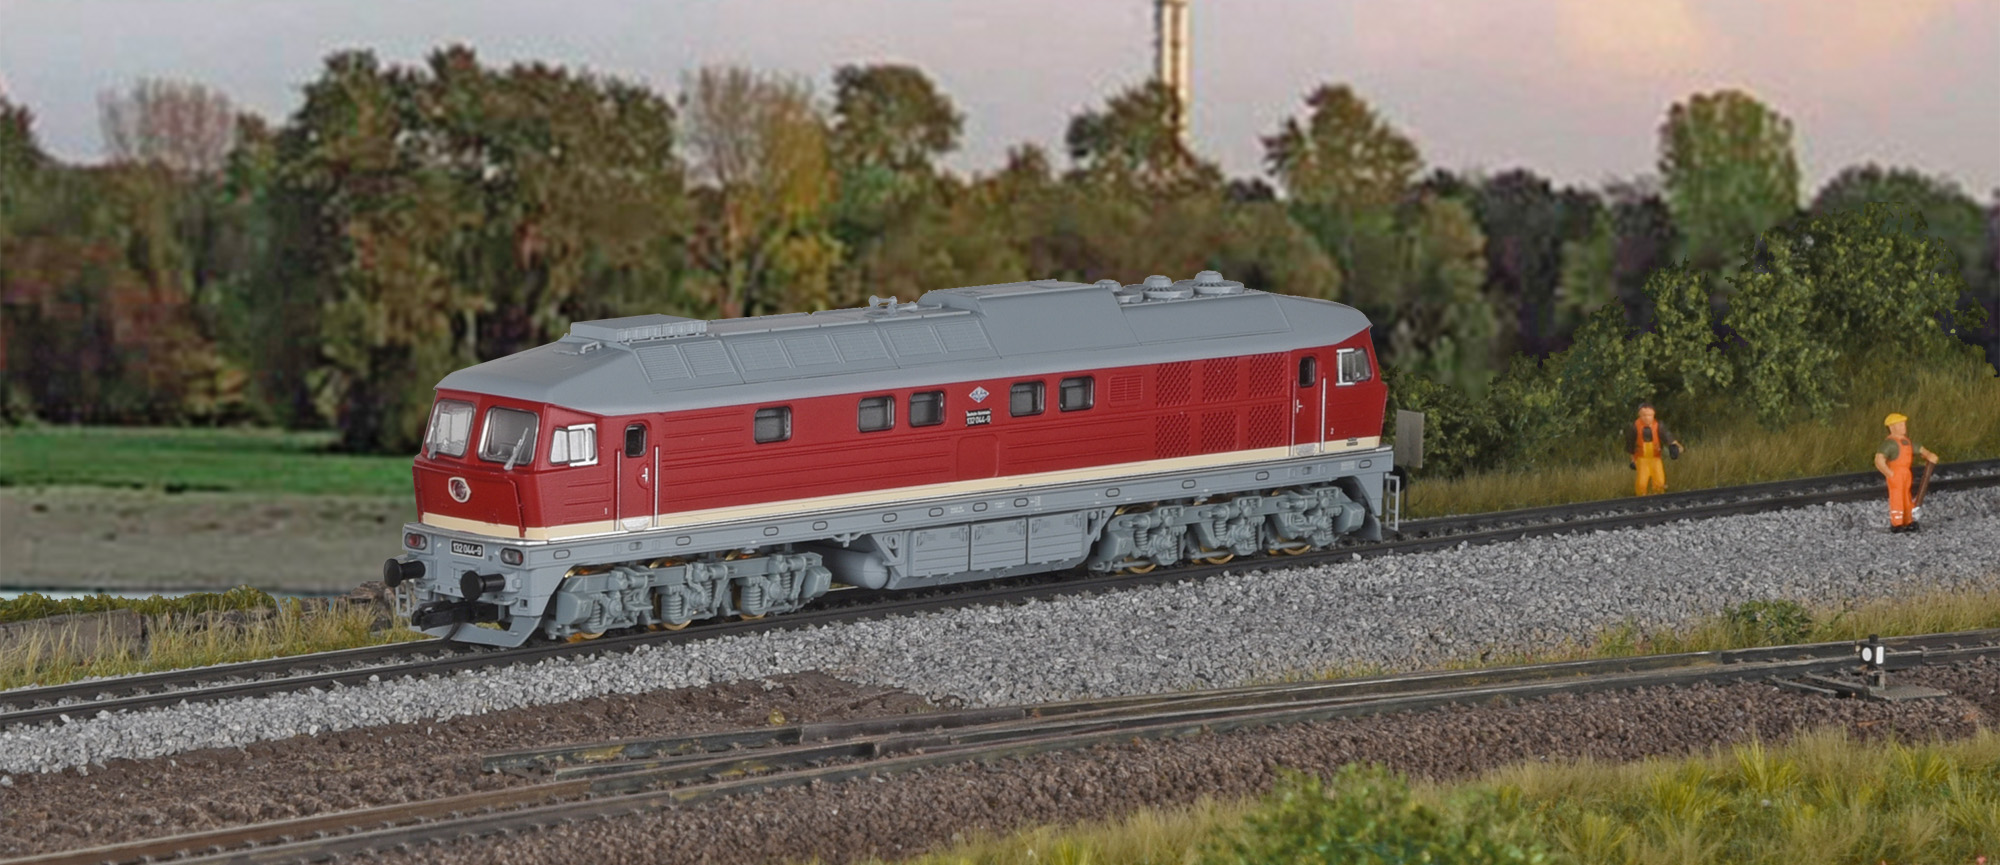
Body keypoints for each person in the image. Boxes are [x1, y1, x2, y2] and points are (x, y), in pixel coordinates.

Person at [1874, 413, 1939, 533]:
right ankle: (1897, 523)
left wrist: (1928, 454)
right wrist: (1889, 473)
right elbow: (1879, 459)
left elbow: (1919, 449)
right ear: (1892, 427)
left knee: (1906, 497)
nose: (1903, 427)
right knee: (1897, 498)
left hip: (1906, 473)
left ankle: (1908, 521)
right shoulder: (1890, 444)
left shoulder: (1906, 442)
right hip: (1896, 473)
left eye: (1904, 424)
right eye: (1900, 425)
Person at [1625, 403, 1684, 496]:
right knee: (1641, 482)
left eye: (1649, 415)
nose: (1647, 418)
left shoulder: (1658, 426)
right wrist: (1632, 459)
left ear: (1653, 415)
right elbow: (1630, 443)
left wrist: (1676, 446)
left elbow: (1667, 436)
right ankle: (1641, 498)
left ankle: (1659, 497)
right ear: (1639, 415)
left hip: (1656, 458)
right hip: (1642, 459)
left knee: (1659, 481)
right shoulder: (1635, 427)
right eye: (1644, 415)